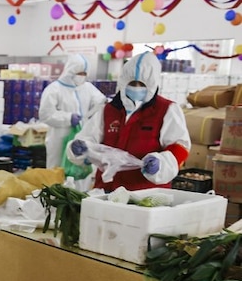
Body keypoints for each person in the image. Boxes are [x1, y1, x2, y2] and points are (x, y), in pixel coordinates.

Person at [66, 51, 190, 191]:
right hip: (106, 190)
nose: (136, 87)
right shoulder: (108, 110)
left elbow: (181, 147)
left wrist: (160, 165)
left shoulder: (167, 110)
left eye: (141, 84)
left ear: (152, 84)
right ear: (123, 82)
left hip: (145, 194)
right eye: (132, 83)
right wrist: (79, 149)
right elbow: (88, 138)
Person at [38, 54, 108, 168]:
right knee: (59, 169)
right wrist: (68, 118)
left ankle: (81, 187)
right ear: (70, 71)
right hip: (60, 137)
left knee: (82, 168)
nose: (82, 76)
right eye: (79, 73)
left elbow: (100, 102)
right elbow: (45, 114)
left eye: (85, 74)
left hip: (83, 135)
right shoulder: (54, 89)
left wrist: (103, 104)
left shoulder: (88, 88)